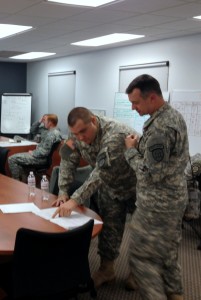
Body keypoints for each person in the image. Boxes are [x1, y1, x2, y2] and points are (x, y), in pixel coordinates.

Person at [52, 107, 137, 288]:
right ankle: (107, 270)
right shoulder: (75, 134)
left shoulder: (115, 134)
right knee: (110, 228)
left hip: (137, 187)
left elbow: (100, 173)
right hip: (110, 187)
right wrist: (63, 191)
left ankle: (137, 273)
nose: (80, 137)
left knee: (140, 232)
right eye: (76, 133)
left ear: (94, 121)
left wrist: (75, 200)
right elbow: (67, 161)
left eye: (83, 131)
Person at [124, 74, 189, 300]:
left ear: (152, 97)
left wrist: (130, 150)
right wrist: (142, 143)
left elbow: (150, 174)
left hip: (157, 206)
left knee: (142, 259)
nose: (133, 108)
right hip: (174, 200)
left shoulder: (160, 127)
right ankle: (175, 295)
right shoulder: (172, 116)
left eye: (136, 102)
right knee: (168, 255)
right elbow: (163, 159)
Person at [8, 114, 62, 181]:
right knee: (19, 162)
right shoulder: (55, 132)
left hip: (41, 159)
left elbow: (44, 152)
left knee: (12, 159)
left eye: (45, 120)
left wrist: (33, 153)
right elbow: (33, 130)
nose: (43, 122)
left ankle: (16, 182)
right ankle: (23, 181)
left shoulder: (52, 134)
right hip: (41, 157)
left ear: (50, 122)